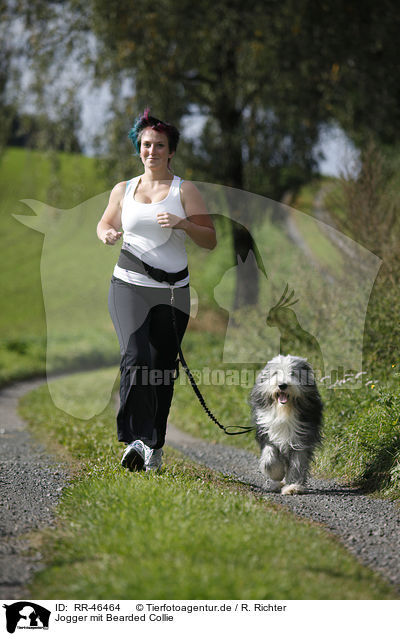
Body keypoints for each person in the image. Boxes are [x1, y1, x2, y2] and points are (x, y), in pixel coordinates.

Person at [97, 109, 217, 472]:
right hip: (129, 285)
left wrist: (182, 222)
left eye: (159, 145)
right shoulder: (124, 189)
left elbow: (209, 239)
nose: (152, 151)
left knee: (162, 370)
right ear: (139, 149)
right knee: (135, 357)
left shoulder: (185, 190)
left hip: (172, 292)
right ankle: (134, 439)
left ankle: (155, 446)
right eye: (146, 145)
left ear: (171, 151)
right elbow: (106, 220)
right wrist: (105, 232)